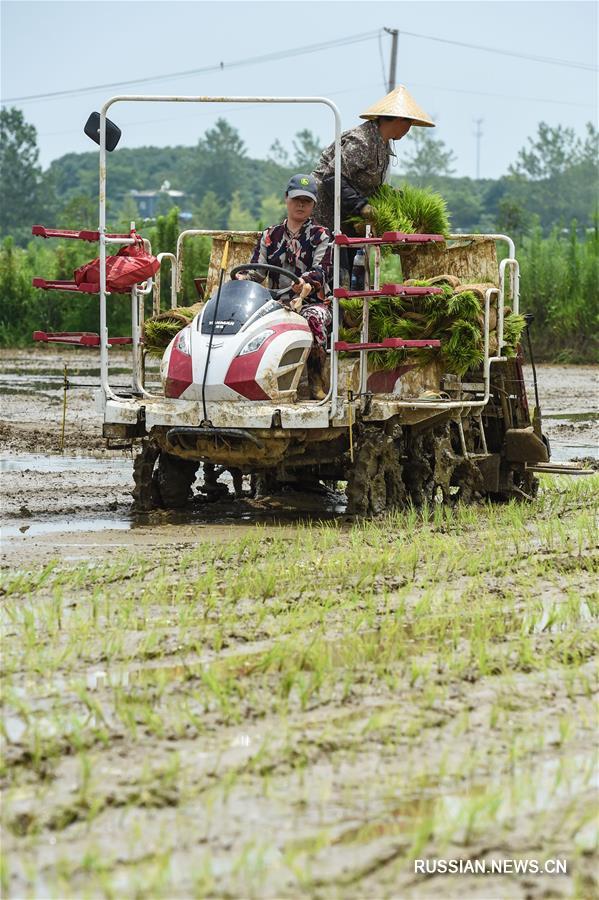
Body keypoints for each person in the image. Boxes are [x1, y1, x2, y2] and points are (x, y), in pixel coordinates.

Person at [312, 85, 435, 282]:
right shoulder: (363, 141)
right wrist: (362, 206)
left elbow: (369, 186)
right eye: (409, 123)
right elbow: (331, 177)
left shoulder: (383, 146)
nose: (409, 129)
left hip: (348, 222)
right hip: (326, 219)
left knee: (354, 278)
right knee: (334, 278)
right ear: (398, 119)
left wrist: (396, 199)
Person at [236, 174, 333, 400]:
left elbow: (323, 270)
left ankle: (316, 382)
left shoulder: (323, 236)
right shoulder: (270, 235)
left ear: (313, 205)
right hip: (275, 303)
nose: (301, 205)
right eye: (296, 199)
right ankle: (245, 380)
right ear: (286, 199)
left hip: (311, 302)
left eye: (306, 201)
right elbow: (257, 271)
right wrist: (241, 279)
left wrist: (305, 283)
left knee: (314, 318)